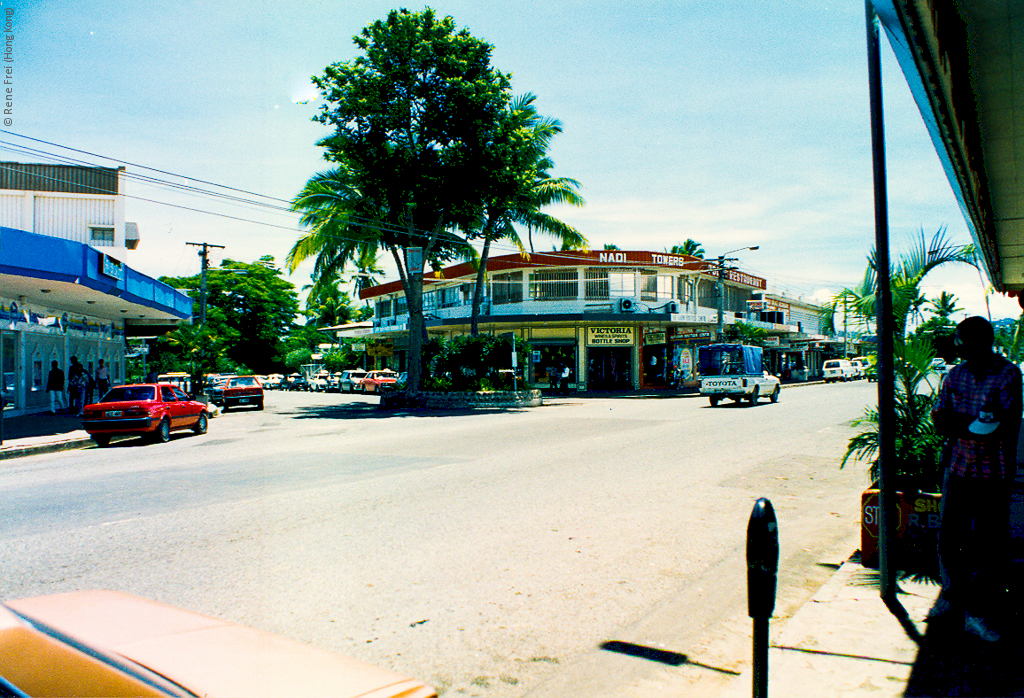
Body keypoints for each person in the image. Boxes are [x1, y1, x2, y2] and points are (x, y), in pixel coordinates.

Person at [930, 316, 1022, 642]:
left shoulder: (1009, 374)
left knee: (988, 544)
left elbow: (1007, 425)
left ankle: (980, 612)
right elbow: (940, 420)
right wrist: (977, 424)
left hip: (993, 474)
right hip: (959, 470)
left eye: (964, 341)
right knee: (949, 537)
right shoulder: (955, 376)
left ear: (983, 341)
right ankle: (953, 597)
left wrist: (964, 423)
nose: (960, 346)